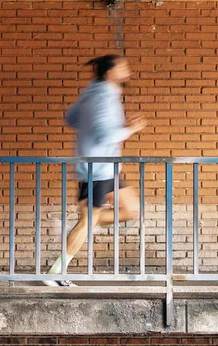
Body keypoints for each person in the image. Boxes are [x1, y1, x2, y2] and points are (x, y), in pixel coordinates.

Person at [43, 55, 147, 286]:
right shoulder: (103, 99)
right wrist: (129, 129)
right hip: (97, 170)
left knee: (131, 209)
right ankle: (56, 272)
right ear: (110, 73)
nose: (128, 71)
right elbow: (104, 135)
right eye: (123, 67)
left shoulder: (93, 94)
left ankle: (93, 222)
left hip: (109, 168)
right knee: (87, 221)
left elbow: (70, 118)